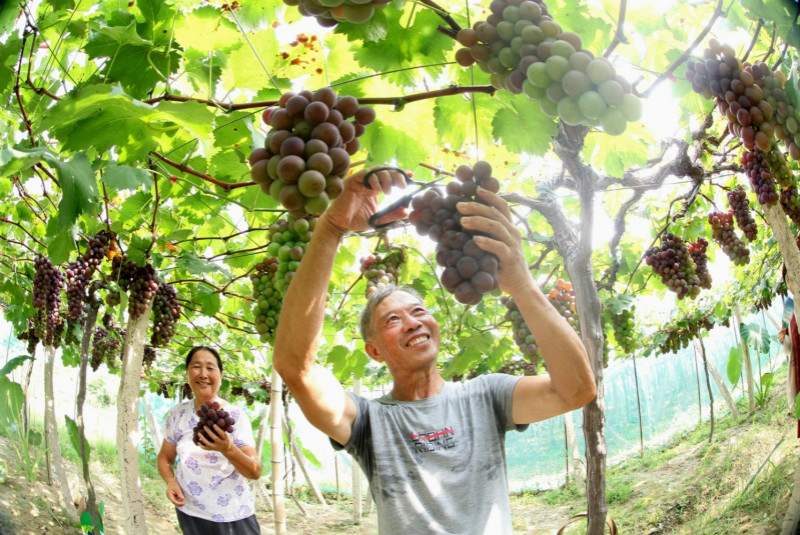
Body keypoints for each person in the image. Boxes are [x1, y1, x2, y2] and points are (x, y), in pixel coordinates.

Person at [273, 166, 596, 535]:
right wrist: (330, 231)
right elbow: (293, 366)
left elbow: (577, 390)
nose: (413, 322)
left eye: (419, 311)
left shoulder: (486, 396)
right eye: (393, 320)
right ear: (375, 352)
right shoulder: (368, 422)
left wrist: (522, 284)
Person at [157, 346, 262, 535]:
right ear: (188, 373)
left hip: (232, 515)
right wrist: (170, 481)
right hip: (190, 512)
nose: (203, 374)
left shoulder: (236, 417)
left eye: (210, 368)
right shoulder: (177, 414)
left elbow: (254, 471)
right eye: (196, 367)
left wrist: (228, 448)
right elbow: (165, 458)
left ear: (220, 376)